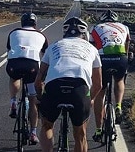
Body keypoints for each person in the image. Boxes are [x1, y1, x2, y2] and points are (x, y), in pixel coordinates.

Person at [35, 17, 102, 152]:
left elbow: (39, 79)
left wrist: (40, 97)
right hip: (79, 89)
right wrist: (90, 99)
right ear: (84, 34)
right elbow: (98, 84)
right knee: (80, 134)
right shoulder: (92, 49)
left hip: (54, 87)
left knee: (47, 126)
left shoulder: (54, 46)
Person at [6, 12, 49, 144]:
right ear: (35, 24)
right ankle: (33, 133)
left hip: (14, 63)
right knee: (33, 100)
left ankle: (13, 101)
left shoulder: (13, 32)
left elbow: (9, 49)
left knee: (14, 78)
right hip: (32, 65)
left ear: (22, 22)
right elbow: (46, 56)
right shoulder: (41, 35)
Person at [89, 9, 131, 142]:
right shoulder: (124, 27)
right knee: (119, 80)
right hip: (121, 57)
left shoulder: (95, 28)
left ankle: (98, 129)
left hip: (103, 59)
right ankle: (118, 106)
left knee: (100, 92)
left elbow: (92, 47)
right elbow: (127, 43)